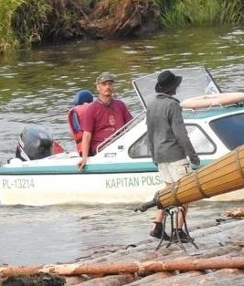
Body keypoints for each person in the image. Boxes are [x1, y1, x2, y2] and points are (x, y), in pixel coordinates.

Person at [145, 70, 200, 243]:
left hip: (160, 156)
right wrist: (193, 155)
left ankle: (157, 225)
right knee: (185, 194)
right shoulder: (172, 105)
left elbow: (150, 133)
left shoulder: (152, 105)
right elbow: (181, 134)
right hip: (175, 155)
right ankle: (178, 230)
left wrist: (154, 156)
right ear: (173, 88)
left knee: (168, 192)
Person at [77, 73, 133, 170]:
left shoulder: (120, 105)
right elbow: (86, 135)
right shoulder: (92, 109)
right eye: (104, 84)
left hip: (120, 145)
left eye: (110, 84)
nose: (108, 87)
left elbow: (131, 125)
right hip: (102, 149)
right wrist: (84, 157)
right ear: (98, 87)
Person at [67, 89, 93, 155]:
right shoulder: (95, 108)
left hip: (83, 149)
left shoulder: (74, 112)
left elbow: (77, 129)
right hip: (98, 146)